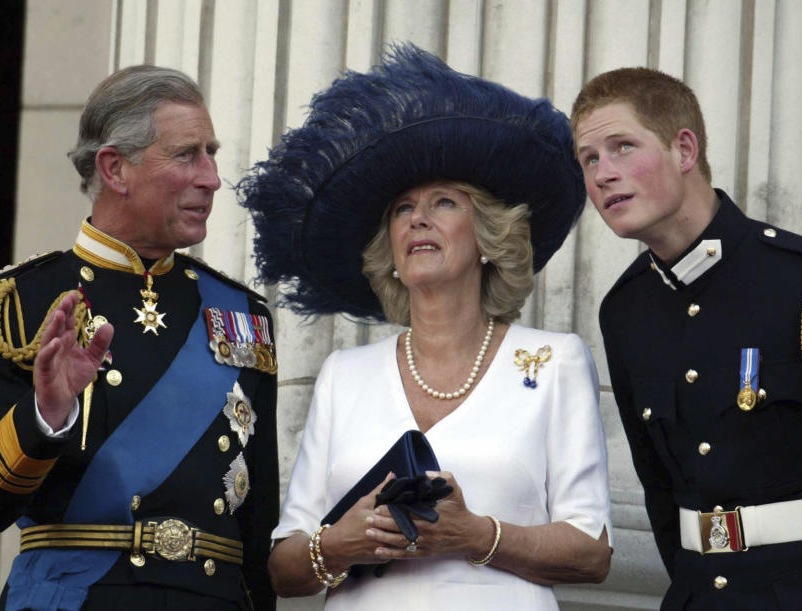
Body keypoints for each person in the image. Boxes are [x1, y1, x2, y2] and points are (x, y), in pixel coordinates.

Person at [237, 44, 612, 609]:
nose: (418, 218)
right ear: (388, 248)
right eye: (401, 209)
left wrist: (477, 536)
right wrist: (339, 545)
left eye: (444, 203)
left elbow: (592, 551)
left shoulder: (554, 360)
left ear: (488, 237)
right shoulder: (345, 373)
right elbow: (285, 567)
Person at [0, 65, 279, 611]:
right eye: (188, 154)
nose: (213, 178)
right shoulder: (17, 303)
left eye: (211, 153)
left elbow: (257, 531)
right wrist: (44, 416)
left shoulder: (241, 314)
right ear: (116, 169)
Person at [572, 67, 802, 610]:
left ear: (684, 149)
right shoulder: (625, 311)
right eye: (589, 159)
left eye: (622, 147)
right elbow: (662, 494)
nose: (603, 173)